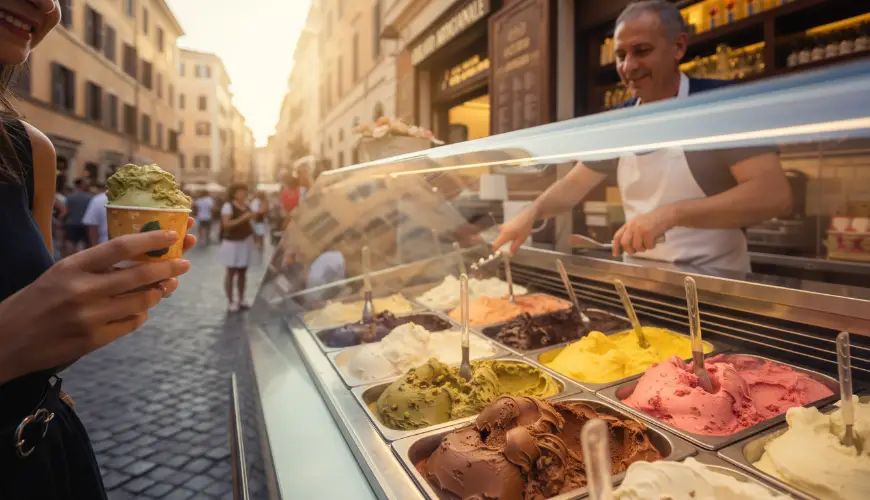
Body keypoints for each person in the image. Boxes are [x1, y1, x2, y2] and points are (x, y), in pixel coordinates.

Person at [0, 2, 195, 498]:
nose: (47, 5)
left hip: (40, 454)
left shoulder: (30, 150)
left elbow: (35, 323)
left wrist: (84, 314)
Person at [493, 0, 792, 273]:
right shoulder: (620, 122)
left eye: (642, 51)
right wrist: (533, 212)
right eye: (621, 55)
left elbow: (773, 196)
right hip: (641, 286)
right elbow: (573, 186)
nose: (628, 67)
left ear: (678, 47)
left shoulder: (719, 106)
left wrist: (671, 214)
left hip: (715, 287)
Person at [220, 183, 261, 312]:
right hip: (232, 243)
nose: (243, 194)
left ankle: (241, 299)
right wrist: (244, 218)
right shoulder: (228, 206)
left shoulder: (247, 206)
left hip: (245, 242)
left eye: (244, 192)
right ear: (234, 193)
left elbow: (251, 223)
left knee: (243, 272)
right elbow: (226, 225)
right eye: (240, 192)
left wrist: (255, 238)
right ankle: (231, 301)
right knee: (231, 272)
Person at [62, 177, 94, 257]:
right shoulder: (90, 197)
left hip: (72, 223)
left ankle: (69, 262)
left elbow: (66, 211)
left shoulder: (70, 197)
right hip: (84, 224)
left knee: (70, 244)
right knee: (83, 245)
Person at [82, 182, 108, 247]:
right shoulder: (98, 199)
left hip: (105, 244)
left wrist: (94, 247)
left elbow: (92, 226)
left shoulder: (98, 199)